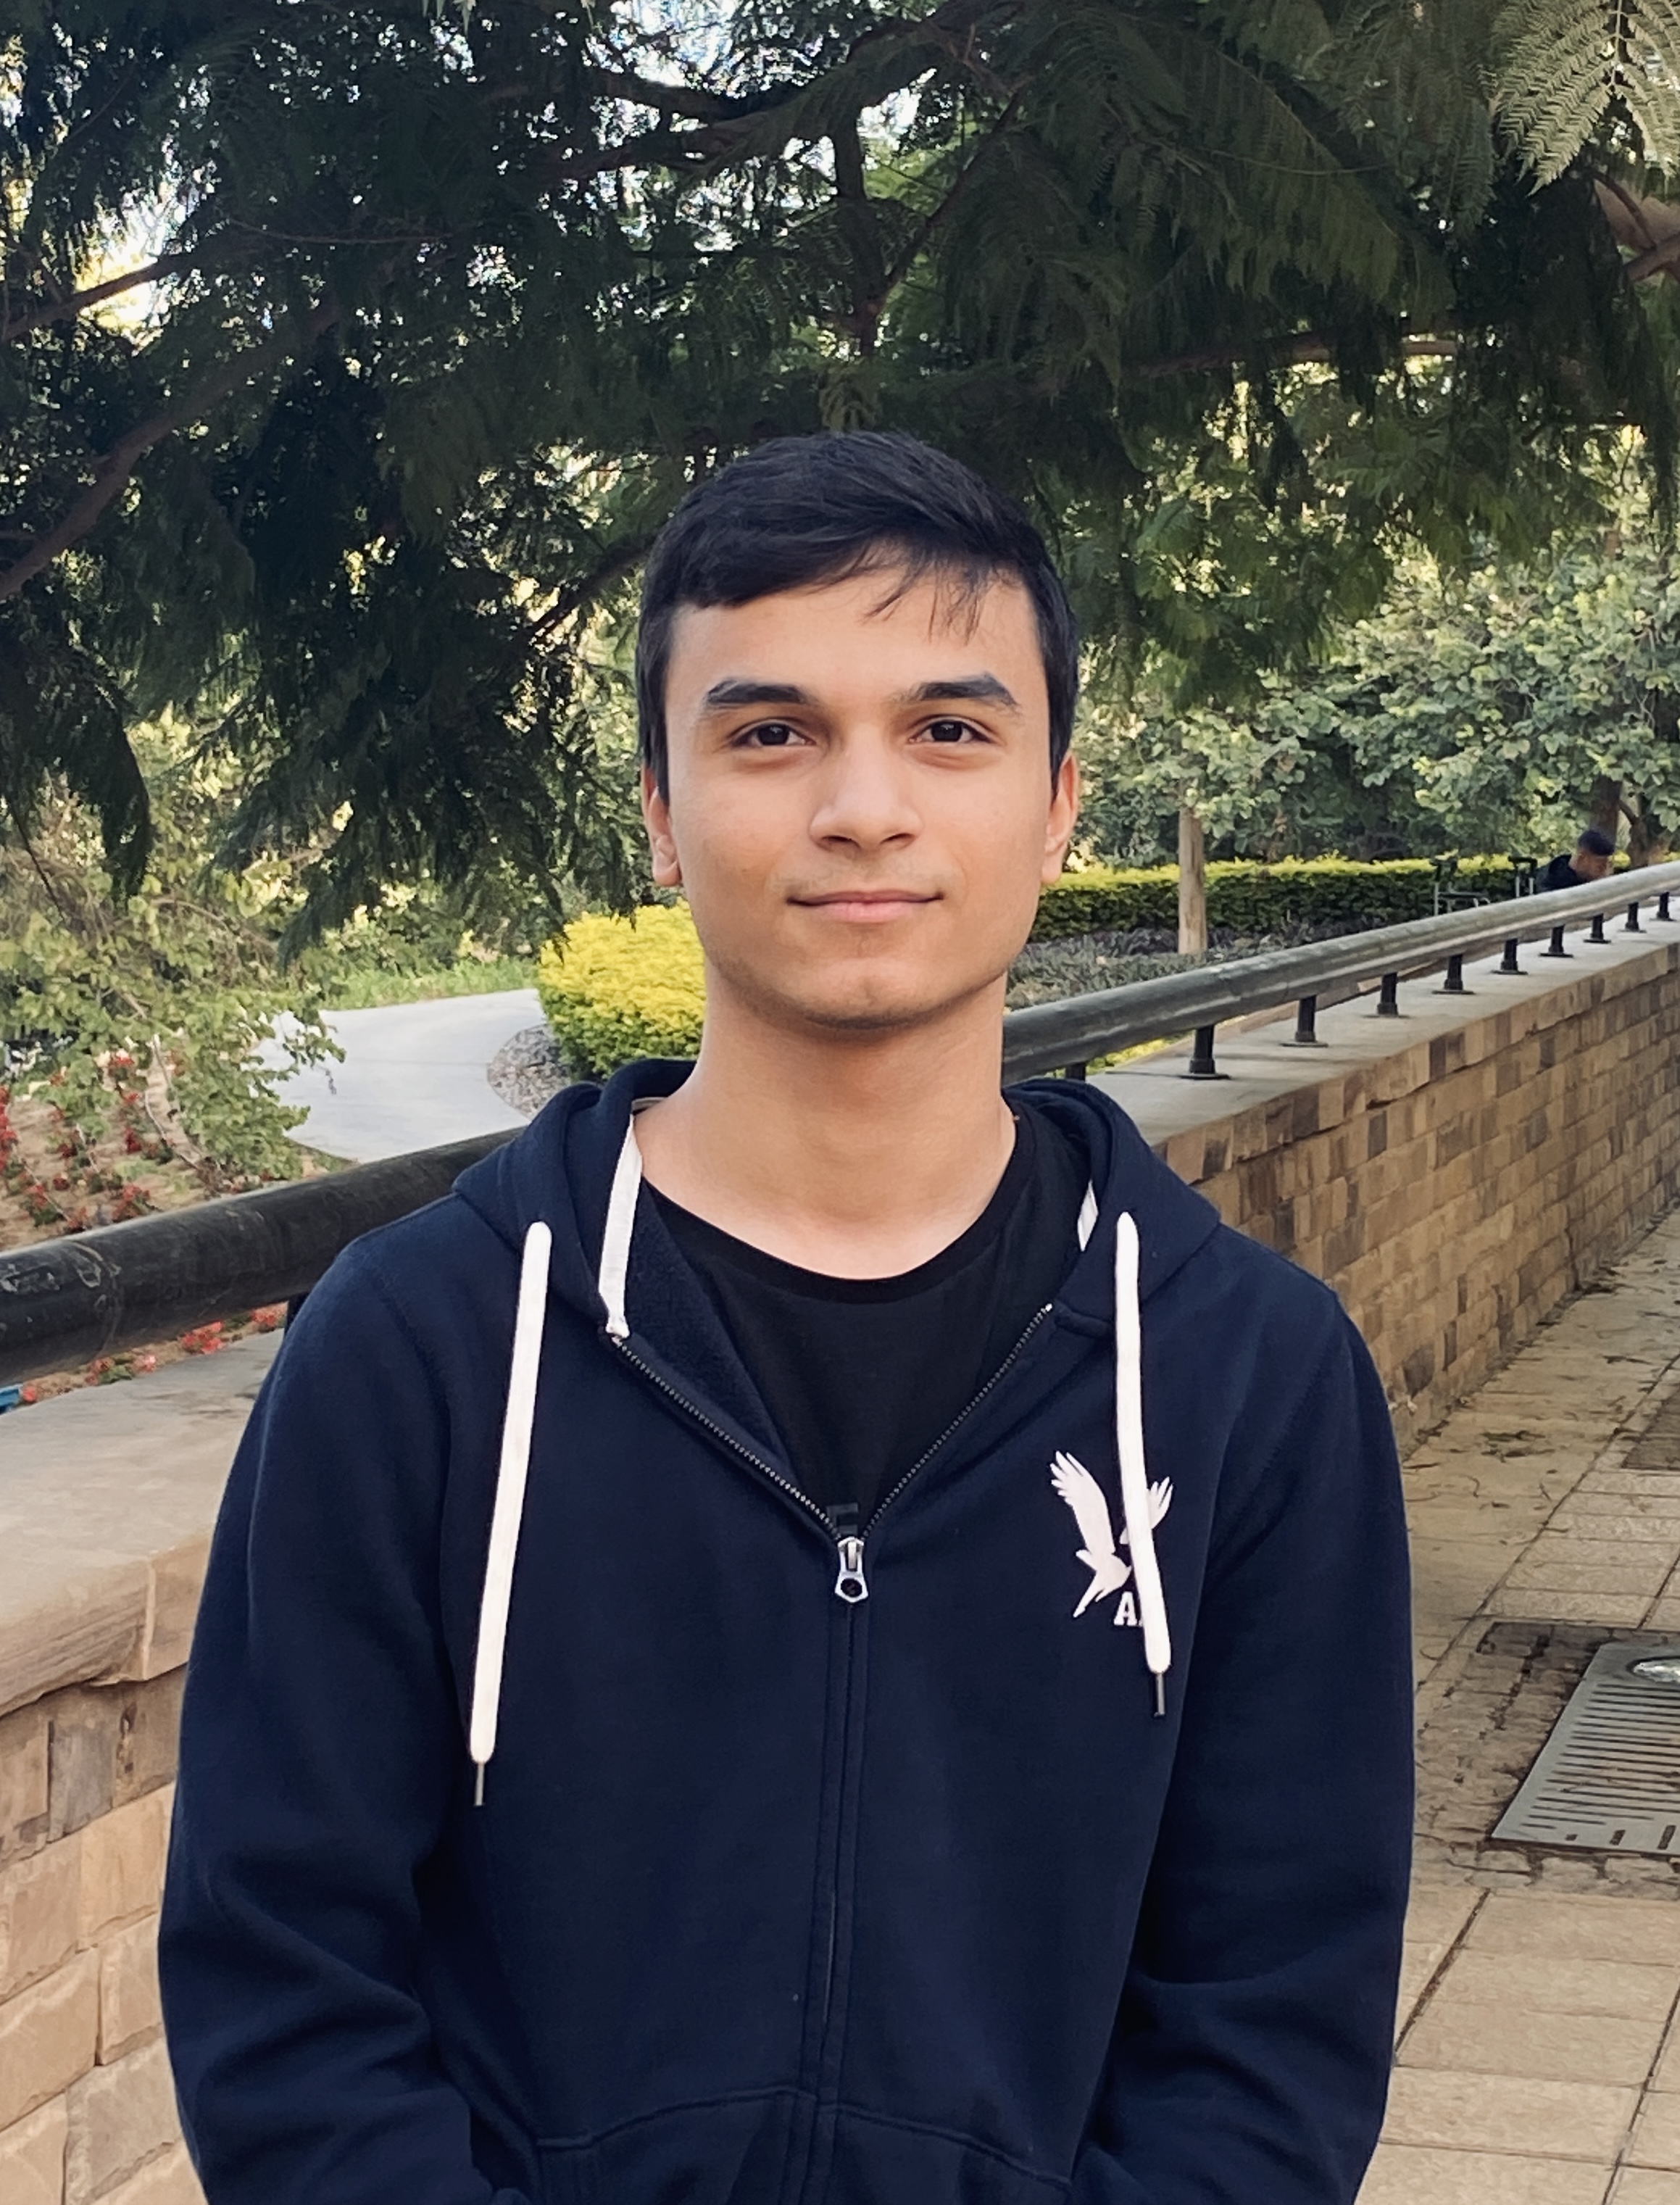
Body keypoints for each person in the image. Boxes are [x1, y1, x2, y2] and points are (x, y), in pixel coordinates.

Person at [160, 431, 1413, 2205]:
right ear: (664, 816)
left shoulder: (1246, 1377)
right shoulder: (424, 1346)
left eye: (950, 729)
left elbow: (1273, 2020)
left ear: (1058, 801)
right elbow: (283, 1984)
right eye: (771, 732)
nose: (864, 807)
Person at [1539, 824, 1617, 891]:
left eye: (1607, 864)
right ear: (1582, 859)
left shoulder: (1583, 878)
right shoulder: (1555, 885)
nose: (1605, 869)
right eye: (1600, 864)